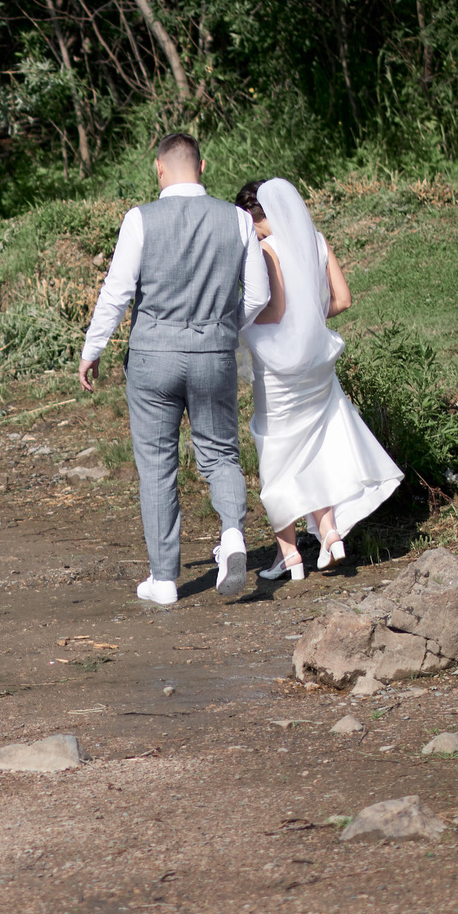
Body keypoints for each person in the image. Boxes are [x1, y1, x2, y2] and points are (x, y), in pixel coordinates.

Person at [77, 131, 273, 606]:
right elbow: (260, 294)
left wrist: (93, 347)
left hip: (153, 357)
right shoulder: (237, 220)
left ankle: (164, 579)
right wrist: (223, 327)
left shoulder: (139, 219)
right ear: (202, 167)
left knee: (158, 465)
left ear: (159, 170)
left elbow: (118, 290)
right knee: (221, 455)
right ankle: (231, 536)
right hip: (213, 353)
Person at [230, 177, 402, 580]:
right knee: (313, 447)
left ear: (254, 217)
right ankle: (329, 532)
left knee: (274, 452)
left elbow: (272, 313)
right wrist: (308, 322)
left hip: (280, 371)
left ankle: (290, 555)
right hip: (318, 365)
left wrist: (236, 323)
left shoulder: (266, 250)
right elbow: (341, 299)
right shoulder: (316, 240)